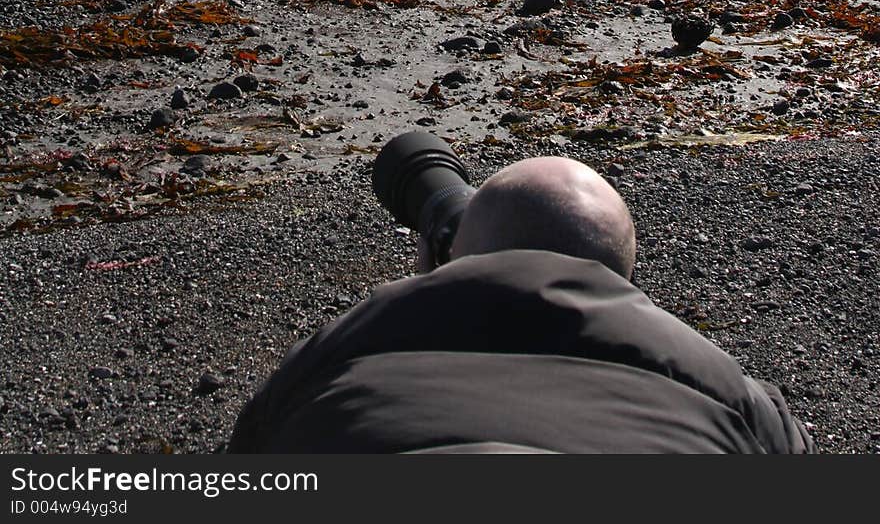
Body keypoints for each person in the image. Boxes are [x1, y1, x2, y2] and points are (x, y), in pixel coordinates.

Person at [228, 156, 814, 454]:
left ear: (450, 257)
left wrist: (423, 293)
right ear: (624, 277)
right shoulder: (728, 388)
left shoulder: (337, 355)